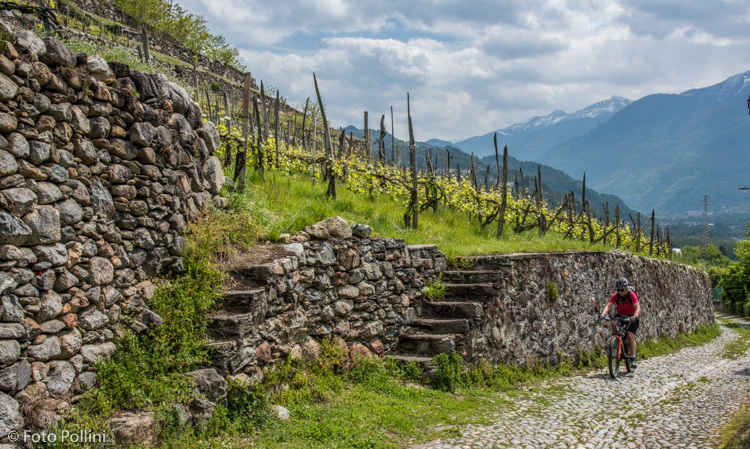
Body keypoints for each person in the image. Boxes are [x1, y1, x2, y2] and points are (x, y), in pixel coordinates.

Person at [601, 277, 641, 368]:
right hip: (620, 315)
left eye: (622, 290)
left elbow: (638, 307)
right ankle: (616, 339)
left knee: (630, 335)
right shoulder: (616, 295)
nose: (620, 292)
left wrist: (635, 316)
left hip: (631, 316)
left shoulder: (632, 295)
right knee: (613, 322)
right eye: (618, 290)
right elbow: (608, 306)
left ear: (626, 288)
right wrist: (603, 314)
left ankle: (633, 357)